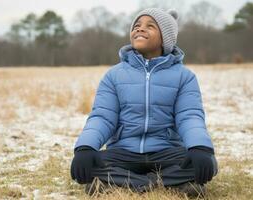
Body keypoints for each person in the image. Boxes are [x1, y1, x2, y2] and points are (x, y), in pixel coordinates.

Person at [70, 8, 218, 197]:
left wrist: (199, 147)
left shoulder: (184, 77)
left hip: (167, 151)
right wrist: (86, 147)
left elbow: (189, 116)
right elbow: (103, 117)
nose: (140, 29)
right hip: (124, 152)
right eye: (137, 26)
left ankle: (122, 183)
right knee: (91, 164)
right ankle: (170, 184)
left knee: (208, 163)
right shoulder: (114, 75)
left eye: (150, 26)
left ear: (165, 38)